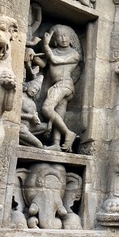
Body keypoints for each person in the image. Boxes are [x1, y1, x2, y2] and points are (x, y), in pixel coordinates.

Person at [42, 24, 79, 152]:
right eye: (60, 36)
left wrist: (46, 46)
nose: (63, 39)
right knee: (58, 115)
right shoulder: (52, 51)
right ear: (55, 39)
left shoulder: (74, 54)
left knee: (47, 108)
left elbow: (56, 61)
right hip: (56, 86)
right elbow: (43, 64)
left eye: (66, 36)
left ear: (70, 38)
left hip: (65, 84)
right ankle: (57, 144)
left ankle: (68, 133)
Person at [20, 76, 47, 148]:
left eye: (36, 90)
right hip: (20, 126)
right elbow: (13, 114)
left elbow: (34, 118)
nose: (34, 91)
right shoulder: (21, 97)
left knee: (46, 126)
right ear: (28, 85)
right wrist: (31, 117)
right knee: (39, 145)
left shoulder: (33, 103)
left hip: (29, 126)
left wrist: (36, 119)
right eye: (34, 87)